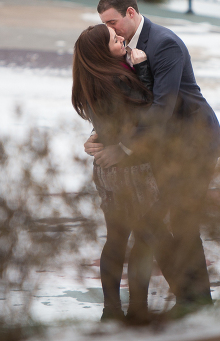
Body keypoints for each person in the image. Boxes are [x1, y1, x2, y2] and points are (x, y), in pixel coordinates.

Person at [84, 0, 220, 315]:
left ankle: (199, 302)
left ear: (131, 14)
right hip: (161, 149)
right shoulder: (122, 48)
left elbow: (161, 108)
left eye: (113, 22)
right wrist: (98, 134)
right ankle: (187, 298)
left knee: (183, 221)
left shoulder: (164, 45)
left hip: (194, 144)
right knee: (160, 225)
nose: (110, 29)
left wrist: (121, 148)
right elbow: (126, 103)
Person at [72, 23, 175, 323]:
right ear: (100, 51)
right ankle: (138, 310)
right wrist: (141, 69)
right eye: (112, 38)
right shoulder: (117, 78)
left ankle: (111, 310)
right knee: (144, 238)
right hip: (133, 171)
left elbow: (111, 121)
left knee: (116, 237)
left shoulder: (91, 79)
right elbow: (145, 114)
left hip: (107, 171)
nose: (119, 37)